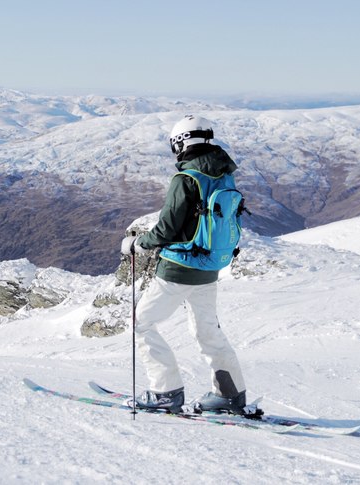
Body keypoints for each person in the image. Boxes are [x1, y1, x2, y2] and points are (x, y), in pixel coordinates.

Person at [120, 114, 248, 415]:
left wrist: (138, 244)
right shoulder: (224, 175)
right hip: (210, 267)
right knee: (207, 332)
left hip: (178, 268)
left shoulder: (186, 178)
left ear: (181, 143)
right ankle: (230, 395)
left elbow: (167, 228)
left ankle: (166, 392)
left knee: (142, 324)